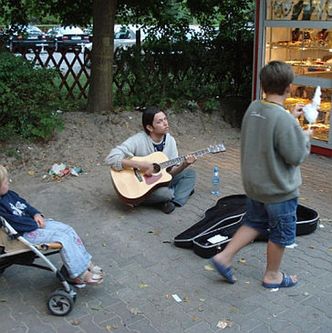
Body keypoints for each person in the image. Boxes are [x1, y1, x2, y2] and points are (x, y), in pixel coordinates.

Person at [211, 61, 312, 288]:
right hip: (278, 191)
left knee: (254, 222)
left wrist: (290, 118)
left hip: (255, 186)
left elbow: (271, 126)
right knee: (280, 233)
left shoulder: (254, 108)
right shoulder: (284, 120)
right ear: (289, 88)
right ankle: (272, 275)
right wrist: (305, 137)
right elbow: (296, 156)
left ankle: (223, 256)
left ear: (263, 85)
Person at [0, 165, 104, 286]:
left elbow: (25, 206)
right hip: (24, 234)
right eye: (5, 181)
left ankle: (86, 263)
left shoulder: (10, 194)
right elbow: (15, 223)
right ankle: (79, 274)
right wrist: (34, 224)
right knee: (62, 238)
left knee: (67, 229)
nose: (8, 182)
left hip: (33, 225)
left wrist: (36, 214)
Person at [105, 106, 197, 214]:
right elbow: (110, 158)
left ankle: (170, 201)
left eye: (165, 119)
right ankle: (173, 196)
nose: (165, 123)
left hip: (158, 181)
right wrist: (141, 165)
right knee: (166, 193)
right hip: (141, 185)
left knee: (190, 174)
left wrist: (184, 165)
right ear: (150, 127)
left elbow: (169, 173)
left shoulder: (170, 141)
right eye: (160, 121)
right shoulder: (138, 140)